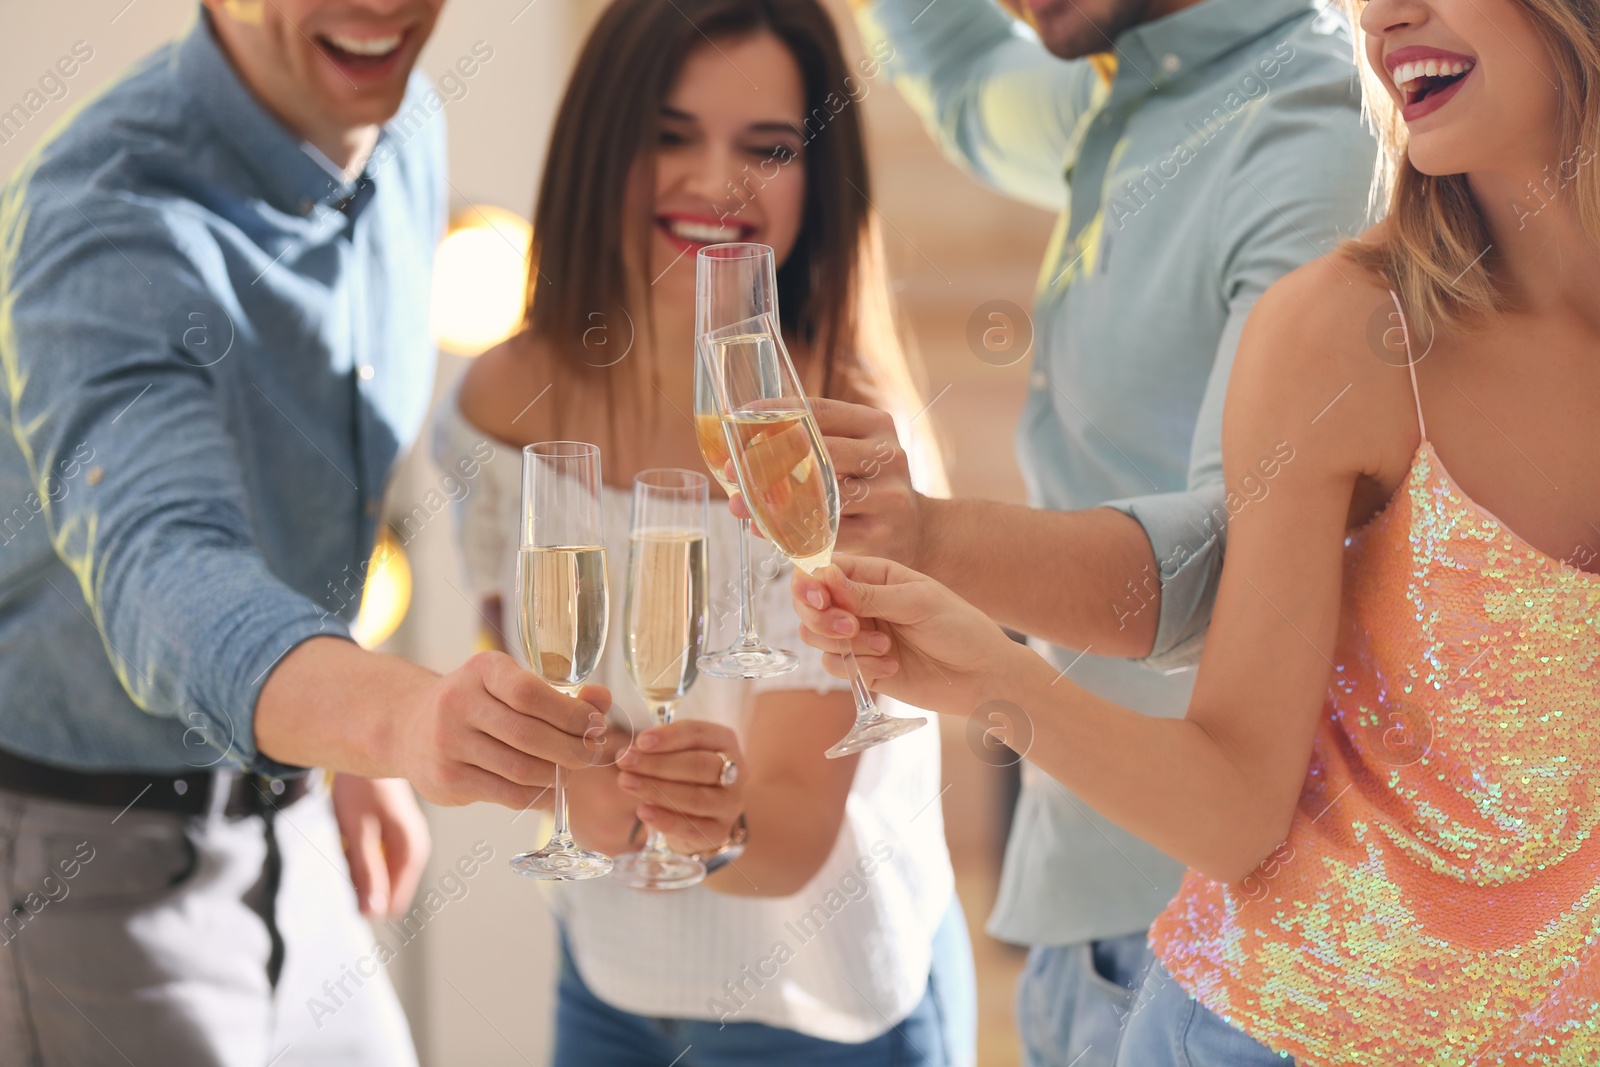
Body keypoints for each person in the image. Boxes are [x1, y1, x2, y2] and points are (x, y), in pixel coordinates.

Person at [791, 0, 1600, 1061]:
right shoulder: (1342, 329)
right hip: (1262, 1031)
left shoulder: (1287, 119)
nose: (1387, 16)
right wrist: (980, 658)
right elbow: (1232, 782)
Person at [742, 0, 1378, 1061]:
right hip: (1086, 927)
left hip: (1219, 928)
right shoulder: (1126, 93)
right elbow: (954, 67)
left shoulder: (1312, 121)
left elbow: (1247, 555)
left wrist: (931, 539)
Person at [0, 2, 611, 1063]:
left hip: (296, 825)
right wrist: (401, 721)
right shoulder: (105, 212)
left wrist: (337, 739)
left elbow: (307, 488)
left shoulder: (403, 119)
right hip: (91, 876)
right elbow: (165, 567)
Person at [430, 0, 974, 1063]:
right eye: (668, 134)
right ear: (602, 144)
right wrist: (564, 769)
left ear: (817, 180)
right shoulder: (500, 405)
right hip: (608, 972)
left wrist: (652, 802)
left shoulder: (838, 444)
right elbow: (522, 657)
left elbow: (787, 833)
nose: (713, 179)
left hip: (821, 1007)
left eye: (766, 147)